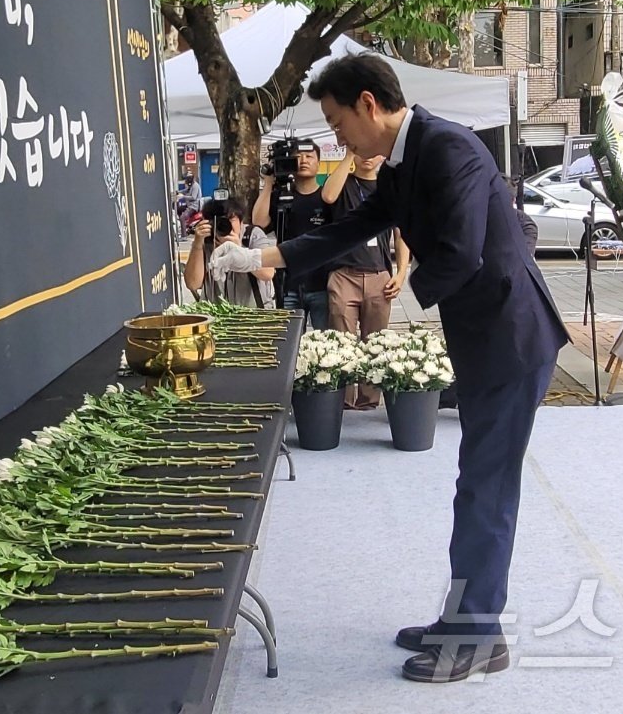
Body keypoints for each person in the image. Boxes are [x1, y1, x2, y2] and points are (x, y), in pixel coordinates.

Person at [209, 53, 569, 684]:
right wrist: (262, 257)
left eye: (336, 120)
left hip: (511, 339)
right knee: (475, 483)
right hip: (485, 335)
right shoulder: (408, 156)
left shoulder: (447, 148)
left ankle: (479, 634)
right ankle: (464, 618)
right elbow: (356, 224)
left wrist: (395, 293)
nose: (335, 136)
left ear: (369, 105)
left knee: (487, 486)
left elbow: (459, 251)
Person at [320, 152, 411, 409]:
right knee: (342, 341)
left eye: (371, 152)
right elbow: (327, 196)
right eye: (361, 152)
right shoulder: (343, 183)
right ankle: (345, 401)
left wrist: (401, 272)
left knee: (376, 340)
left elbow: (401, 234)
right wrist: (349, 154)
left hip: (378, 274)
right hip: (343, 272)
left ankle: (369, 401)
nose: (367, 157)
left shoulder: (388, 188)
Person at [252, 141, 334, 329]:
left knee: (325, 341)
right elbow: (259, 222)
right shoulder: (281, 197)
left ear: (319, 162)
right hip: (289, 284)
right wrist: (268, 184)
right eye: (298, 156)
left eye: (309, 156)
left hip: (322, 284)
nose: (304, 160)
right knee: (290, 341)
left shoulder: (327, 197)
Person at [183, 195, 276, 308]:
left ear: (241, 222)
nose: (225, 225)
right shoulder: (205, 241)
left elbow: (268, 273)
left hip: (254, 316)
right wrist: (197, 244)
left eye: (230, 219)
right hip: (217, 316)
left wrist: (240, 249)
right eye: (220, 221)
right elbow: (193, 284)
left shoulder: (252, 236)